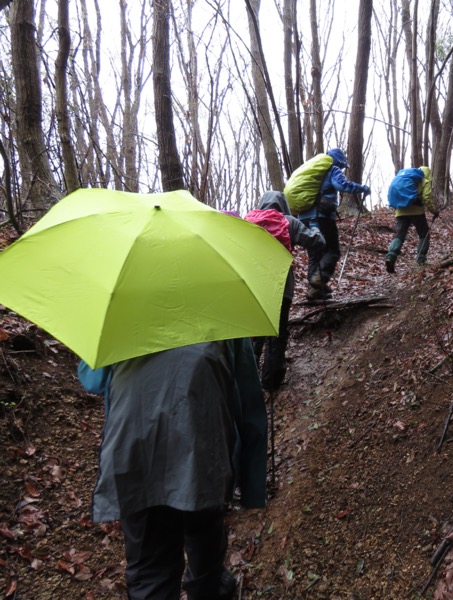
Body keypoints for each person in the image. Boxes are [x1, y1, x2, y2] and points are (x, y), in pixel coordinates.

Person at [78, 339, 266, 600]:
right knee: (205, 537)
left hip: (135, 456)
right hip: (204, 454)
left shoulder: (121, 316)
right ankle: (208, 587)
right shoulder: (225, 315)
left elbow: (92, 380)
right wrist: (253, 489)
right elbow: (248, 402)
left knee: (150, 568)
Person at [247, 191, 325, 391]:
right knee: (278, 333)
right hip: (281, 286)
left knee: (254, 331)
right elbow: (318, 242)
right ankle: (271, 382)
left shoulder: (248, 221)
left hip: (252, 286)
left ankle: (248, 380)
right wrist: (315, 227)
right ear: (283, 204)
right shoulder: (288, 222)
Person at [295, 148, 370, 301]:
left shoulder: (313, 172)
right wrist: (363, 188)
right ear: (338, 161)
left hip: (304, 217)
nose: (342, 169)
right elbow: (342, 185)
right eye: (342, 165)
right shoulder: (332, 169)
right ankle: (319, 281)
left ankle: (314, 291)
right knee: (333, 251)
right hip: (321, 217)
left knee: (315, 253)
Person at [385, 166, 438, 273]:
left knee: (399, 235)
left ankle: (390, 256)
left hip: (400, 211)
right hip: (416, 212)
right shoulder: (424, 180)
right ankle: (421, 259)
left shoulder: (407, 177)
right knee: (424, 233)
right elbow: (427, 198)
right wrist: (434, 211)